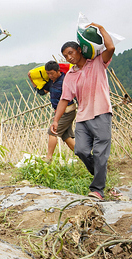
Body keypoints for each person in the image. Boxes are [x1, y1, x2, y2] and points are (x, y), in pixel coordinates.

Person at [51, 23, 117, 201]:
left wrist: (102, 29)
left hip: (102, 112)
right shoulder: (70, 75)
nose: (69, 57)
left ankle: (97, 189)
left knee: (100, 152)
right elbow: (65, 99)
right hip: (82, 117)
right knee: (80, 150)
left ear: (80, 50)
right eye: (65, 56)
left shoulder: (97, 63)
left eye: (71, 53)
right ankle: (101, 177)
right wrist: (56, 120)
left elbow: (110, 47)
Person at [30, 61, 76, 161]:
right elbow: (42, 92)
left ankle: (48, 157)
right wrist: (31, 79)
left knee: (52, 132)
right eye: (48, 74)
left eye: (52, 73)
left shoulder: (65, 80)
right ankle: (85, 157)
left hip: (67, 111)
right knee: (67, 137)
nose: (50, 76)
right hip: (59, 112)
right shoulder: (51, 82)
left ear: (58, 71)